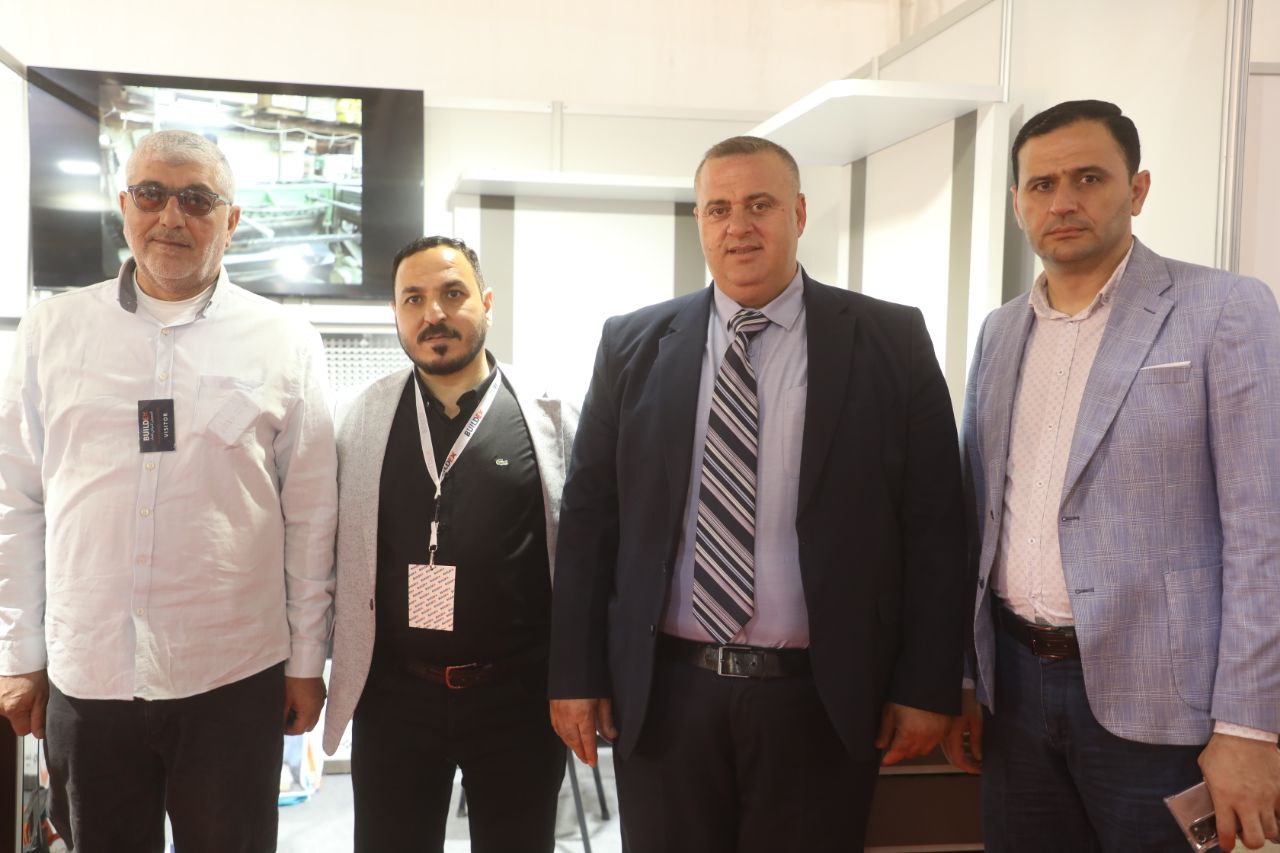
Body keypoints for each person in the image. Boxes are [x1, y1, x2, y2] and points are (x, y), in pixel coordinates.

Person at [548, 135, 968, 850]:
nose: (738, 226)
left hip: (821, 698)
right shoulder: (631, 344)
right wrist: (575, 674)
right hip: (667, 695)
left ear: (798, 213)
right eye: (718, 208)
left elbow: (935, 526)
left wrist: (927, 685)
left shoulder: (890, 340)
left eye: (759, 204)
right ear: (699, 221)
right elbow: (590, 521)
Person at [944, 100, 1280, 852]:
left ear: (1138, 188)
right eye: (1042, 185)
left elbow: (1266, 533)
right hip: (1015, 695)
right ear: (1018, 203)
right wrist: (969, 679)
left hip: (1168, 709)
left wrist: (1251, 727)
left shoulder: (1225, 309)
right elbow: (977, 522)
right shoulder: (1000, 332)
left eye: (1088, 178)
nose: (1063, 201)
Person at [0, 129, 337, 851]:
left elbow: (311, 517)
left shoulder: (286, 341)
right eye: (152, 195)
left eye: (197, 199)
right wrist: (18, 652)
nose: (171, 216)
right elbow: (16, 500)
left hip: (233, 674)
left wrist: (308, 661)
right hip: (89, 673)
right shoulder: (52, 331)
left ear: (231, 220)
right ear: (125, 206)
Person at [323, 236, 578, 852]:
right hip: (395, 698)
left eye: (452, 294)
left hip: (517, 700)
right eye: (413, 299)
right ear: (396, 313)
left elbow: (587, 564)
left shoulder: (549, 417)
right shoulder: (360, 419)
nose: (433, 313)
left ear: (486, 303)